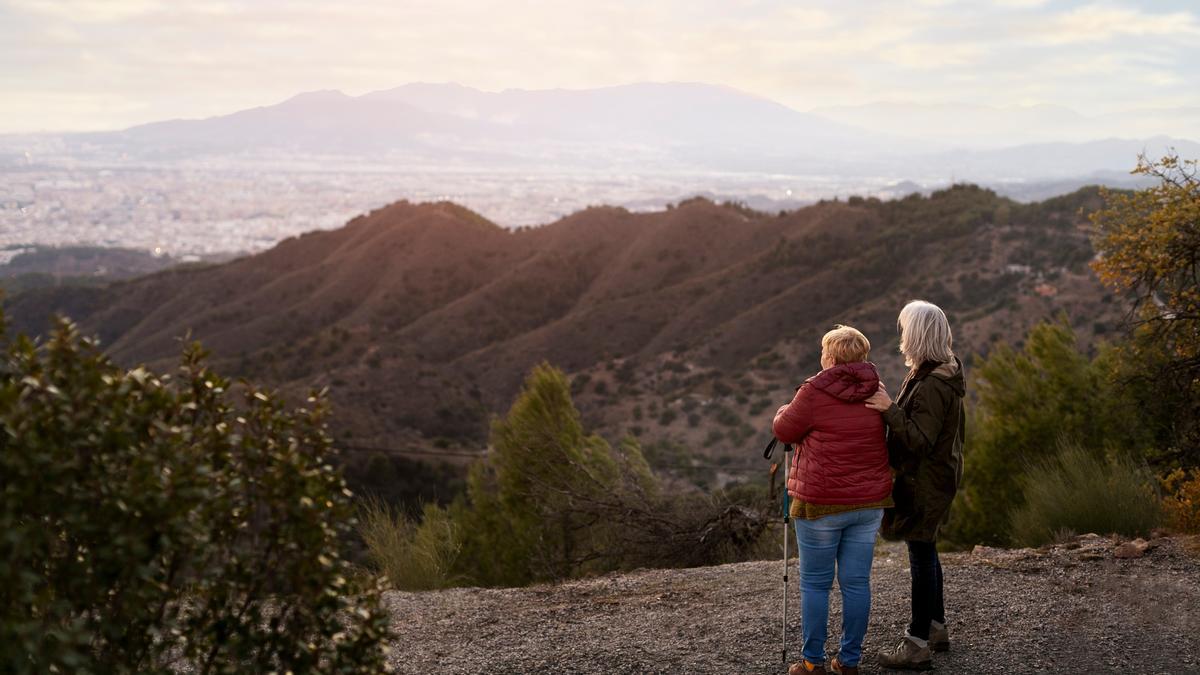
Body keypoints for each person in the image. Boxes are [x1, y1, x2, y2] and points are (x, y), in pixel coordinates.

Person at [773, 325, 893, 675]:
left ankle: (813, 662)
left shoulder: (812, 392)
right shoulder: (878, 389)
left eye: (824, 351)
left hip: (821, 503)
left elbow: (784, 430)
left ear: (831, 357)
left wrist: (784, 408)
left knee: (816, 583)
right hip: (869, 502)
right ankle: (850, 661)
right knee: (856, 583)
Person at [865, 300, 965, 671]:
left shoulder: (932, 385)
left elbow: (921, 441)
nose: (902, 334)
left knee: (921, 556)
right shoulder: (935, 372)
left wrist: (889, 408)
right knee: (928, 550)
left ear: (918, 334)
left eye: (906, 328)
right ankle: (937, 628)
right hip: (936, 477)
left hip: (927, 481)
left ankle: (917, 642)